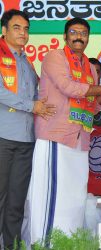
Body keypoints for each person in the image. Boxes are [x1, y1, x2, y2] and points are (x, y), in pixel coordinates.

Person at [22, 17, 101, 245]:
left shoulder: (89, 67)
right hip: (56, 137)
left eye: (83, 33)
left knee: (75, 199)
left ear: (88, 38)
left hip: (80, 140)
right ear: (66, 37)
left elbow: (93, 103)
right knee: (52, 198)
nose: (79, 36)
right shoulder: (54, 57)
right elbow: (68, 87)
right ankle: (45, 244)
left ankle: (68, 244)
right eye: (74, 32)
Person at [0, 9, 55, 249]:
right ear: (4, 30)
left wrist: (46, 106)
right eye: (16, 28)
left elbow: (35, 95)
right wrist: (32, 105)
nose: (23, 33)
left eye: (26, 29)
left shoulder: (27, 62)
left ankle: (11, 245)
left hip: (26, 139)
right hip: (2, 137)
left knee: (16, 201)